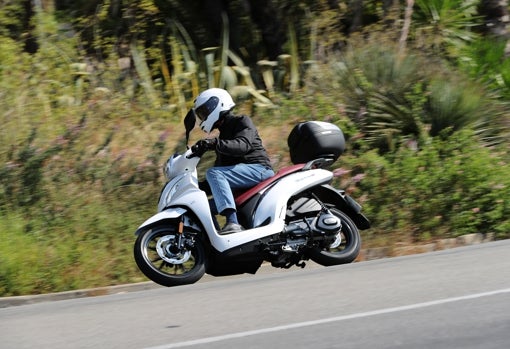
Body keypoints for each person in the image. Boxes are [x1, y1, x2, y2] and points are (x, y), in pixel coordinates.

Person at [191, 88, 274, 235]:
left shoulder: (241, 121)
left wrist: (213, 144)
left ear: (217, 105)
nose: (203, 117)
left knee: (213, 173)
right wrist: (193, 187)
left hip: (259, 170)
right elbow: (218, 182)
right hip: (244, 179)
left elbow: (242, 146)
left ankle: (232, 223)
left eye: (204, 112)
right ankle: (216, 241)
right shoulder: (222, 137)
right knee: (202, 206)